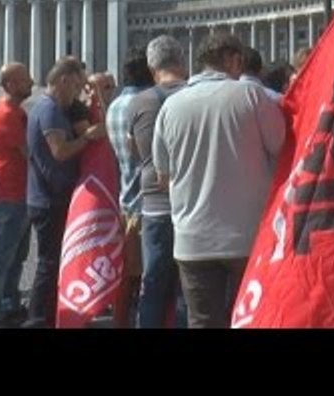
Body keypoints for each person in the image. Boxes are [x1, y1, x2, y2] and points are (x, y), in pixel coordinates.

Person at [153, 33, 285, 328]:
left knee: (202, 321)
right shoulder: (252, 96)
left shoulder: (170, 107)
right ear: (231, 59)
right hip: (246, 236)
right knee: (251, 318)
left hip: (192, 238)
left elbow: (163, 177)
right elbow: (282, 147)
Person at [24, 57, 105, 328]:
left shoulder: (49, 108)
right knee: (48, 263)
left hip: (49, 196)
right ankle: (36, 319)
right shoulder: (49, 110)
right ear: (64, 80)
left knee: (55, 261)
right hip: (48, 200)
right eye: (77, 85)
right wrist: (88, 137)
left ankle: (49, 315)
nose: (78, 91)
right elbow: (59, 152)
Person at [129, 34, 188, 328]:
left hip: (153, 202)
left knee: (152, 282)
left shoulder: (139, 101)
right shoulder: (193, 96)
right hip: (189, 201)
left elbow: (134, 152)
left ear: (153, 69)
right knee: (185, 285)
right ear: (182, 62)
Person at [104, 49, 153, 328]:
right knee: (150, 274)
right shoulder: (145, 104)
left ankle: (121, 321)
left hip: (126, 198)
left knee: (127, 272)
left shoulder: (114, 105)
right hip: (147, 202)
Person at [0, 63, 34, 328]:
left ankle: (9, 304)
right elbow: (29, 153)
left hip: (15, 193)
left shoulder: (11, 111)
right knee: (3, 257)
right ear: (11, 84)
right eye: (26, 80)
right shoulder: (8, 114)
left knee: (17, 256)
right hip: (12, 194)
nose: (32, 82)